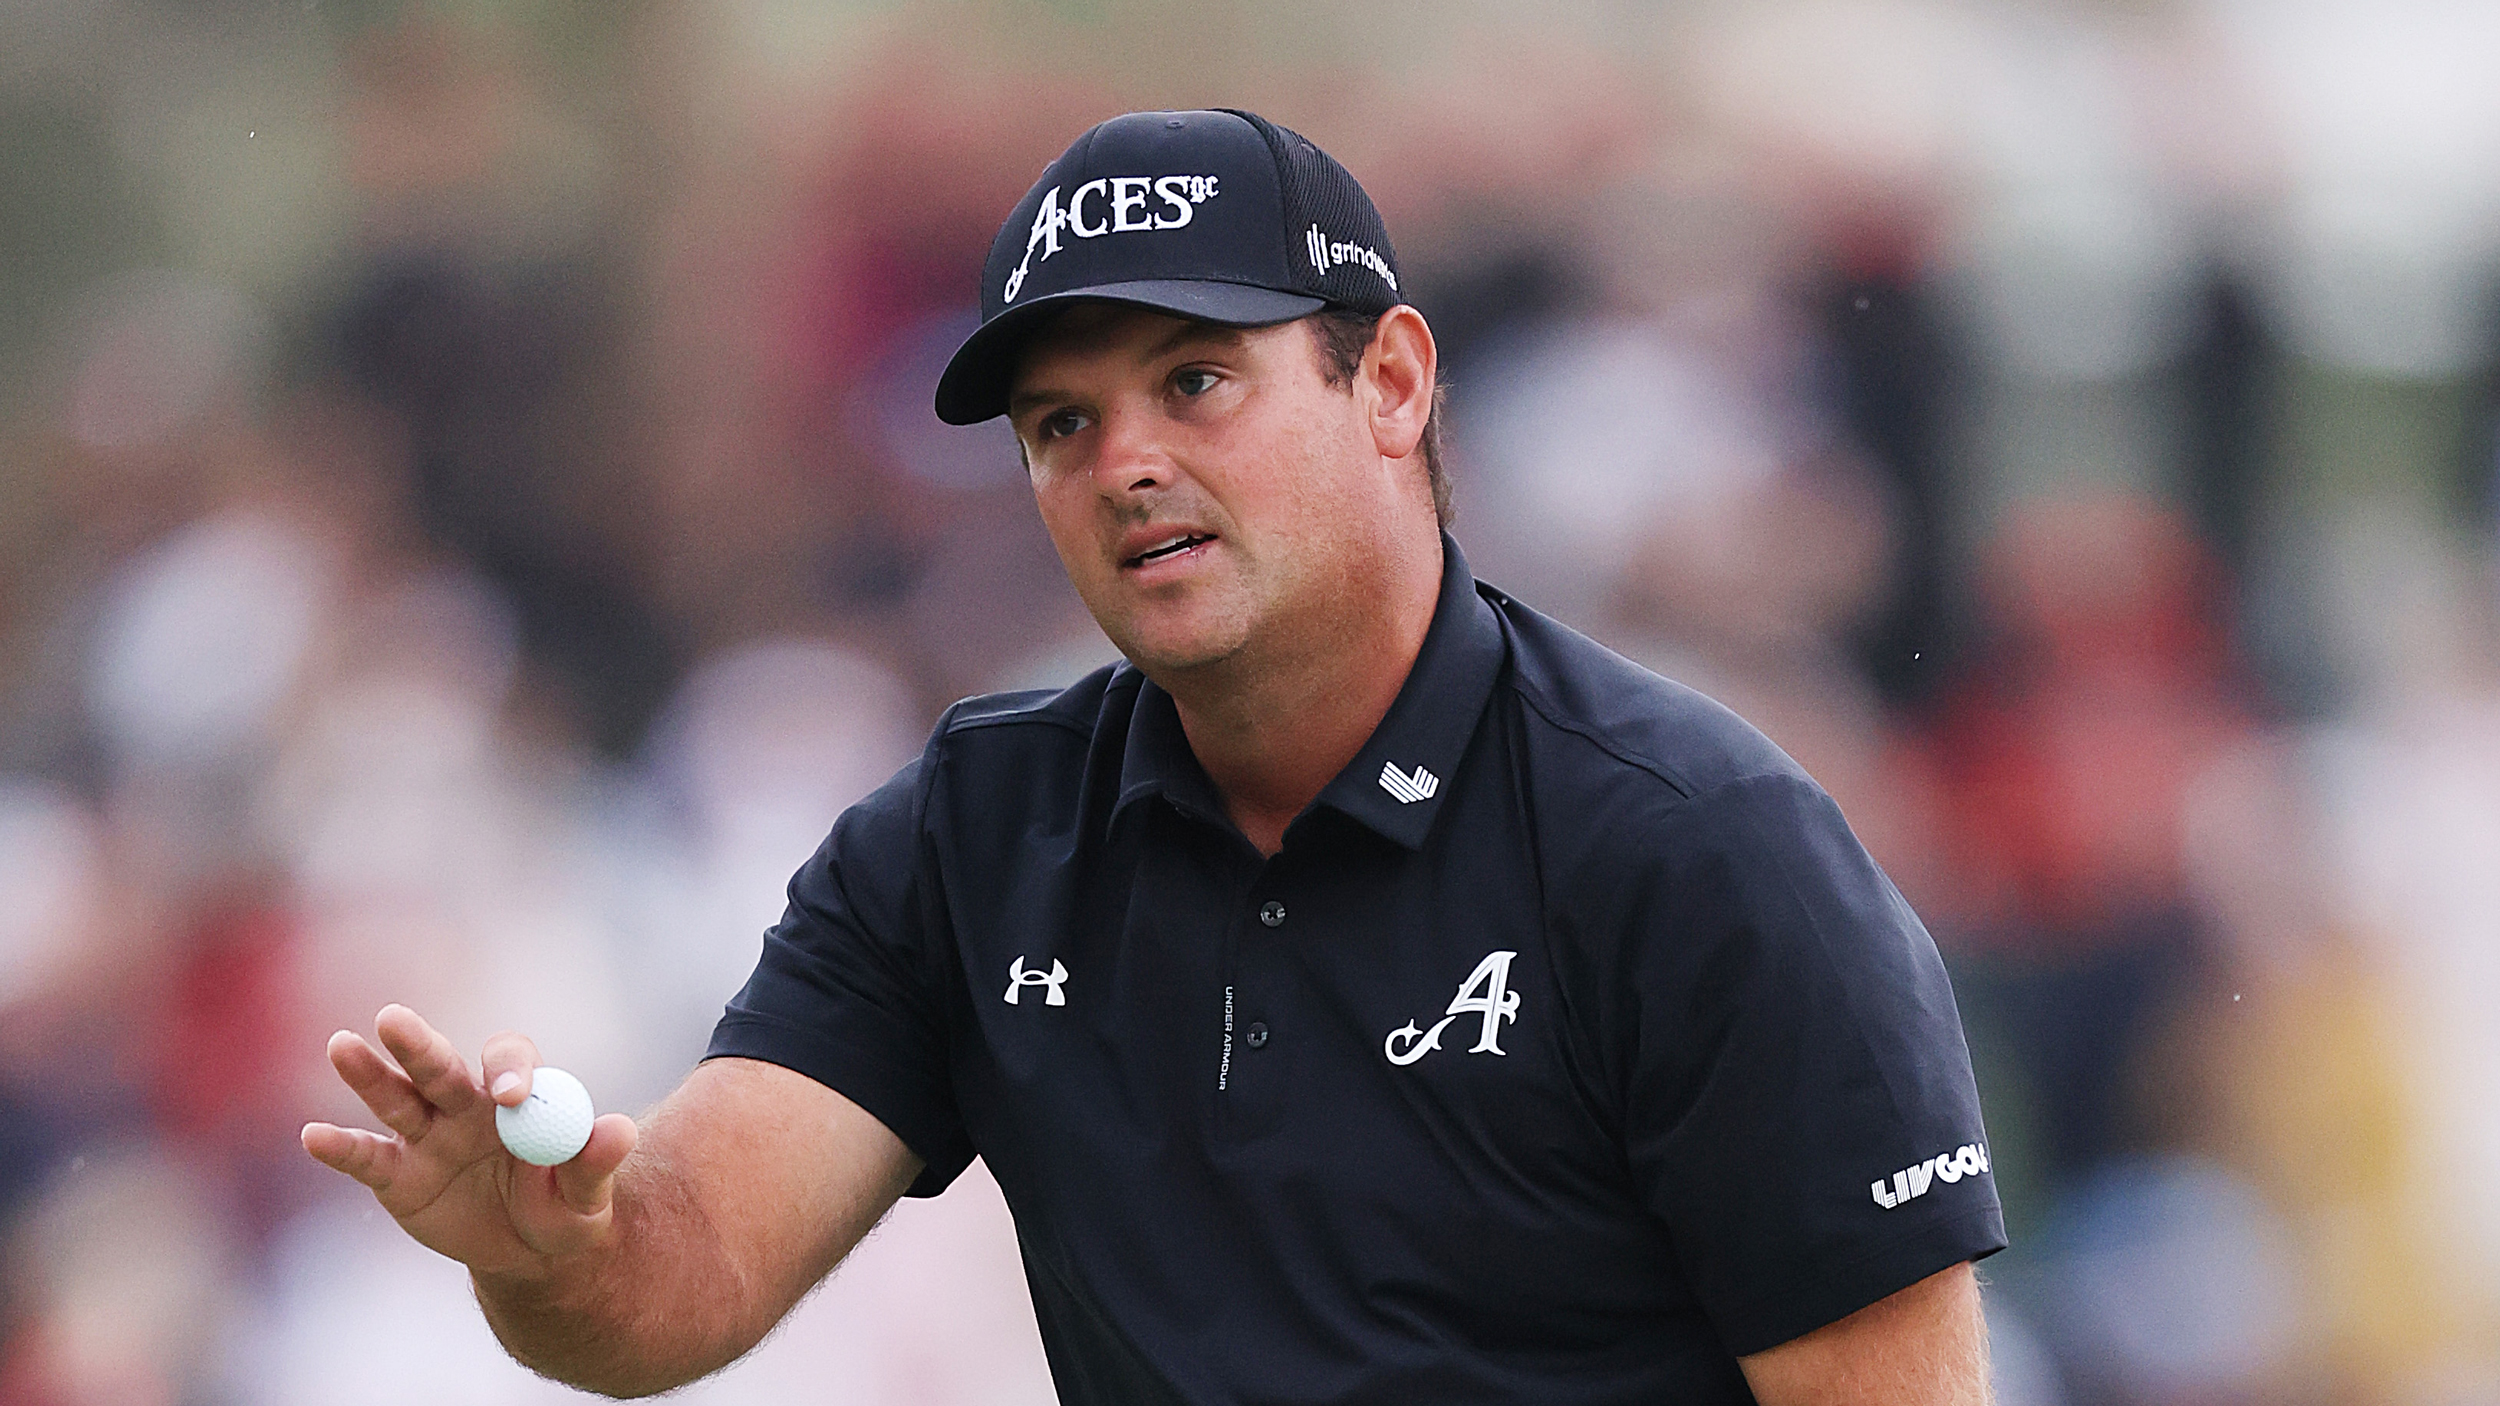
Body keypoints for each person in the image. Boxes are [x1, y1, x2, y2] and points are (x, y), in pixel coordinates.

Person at [303, 108, 2005, 1404]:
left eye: (1196, 382)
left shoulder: (1698, 846)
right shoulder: (971, 837)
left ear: (1391, 381)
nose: (1122, 463)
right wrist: (551, 1254)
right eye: (1063, 422)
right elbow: (675, 1281)